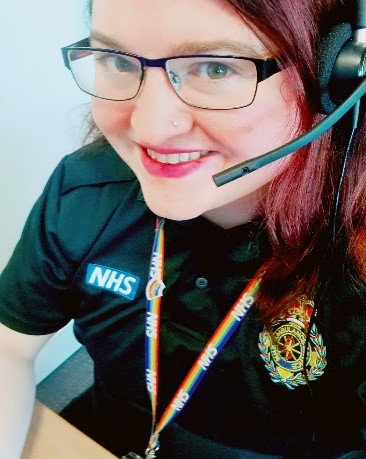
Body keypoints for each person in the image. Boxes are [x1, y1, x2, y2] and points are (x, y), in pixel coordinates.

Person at [1, 0, 366, 457]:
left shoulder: (355, 257)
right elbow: (8, 346)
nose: (150, 127)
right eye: (116, 61)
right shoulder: (87, 187)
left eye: (215, 69)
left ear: (335, 77)